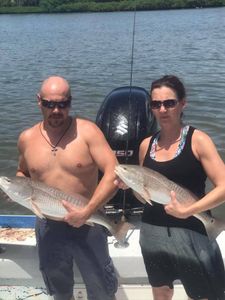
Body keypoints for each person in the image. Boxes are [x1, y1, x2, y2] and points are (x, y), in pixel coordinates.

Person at [116, 75, 225, 300]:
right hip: (152, 231)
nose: (162, 109)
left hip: (191, 232)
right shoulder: (147, 144)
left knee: (203, 294)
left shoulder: (198, 140)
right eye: (156, 104)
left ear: (183, 103)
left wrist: (187, 211)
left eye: (169, 103)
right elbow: (144, 193)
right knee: (161, 290)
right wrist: (130, 185)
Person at [16, 76, 119, 300]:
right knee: (59, 290)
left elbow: (114, 172)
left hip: (89, 223)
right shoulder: (27, 138)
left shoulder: (88, 132)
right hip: (49, 227)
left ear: (70, 102)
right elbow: (22, 173)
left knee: (101, 289)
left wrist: (88, 211)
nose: (56, 110)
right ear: (39, 101)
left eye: (62, 104)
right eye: (49, 104)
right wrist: (17, 191)